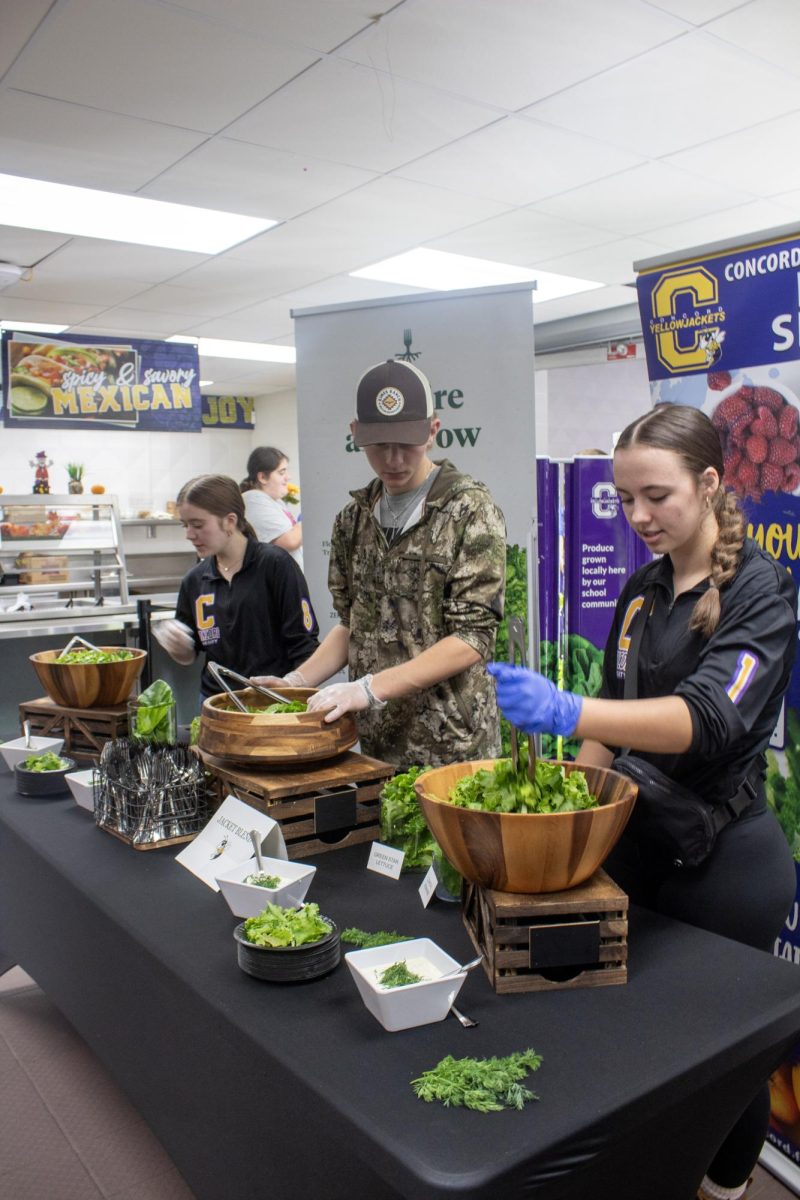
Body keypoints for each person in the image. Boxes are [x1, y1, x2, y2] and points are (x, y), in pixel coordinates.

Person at [489, 404, 798, 1200]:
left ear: (709, 482)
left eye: (656, 496)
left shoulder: (762, 590)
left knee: (724, 1061)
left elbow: (704, 719)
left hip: (723, 865)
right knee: (628, 1040)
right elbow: (610, 711)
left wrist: (566, 714)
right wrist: (566, 811)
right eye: (626, 499)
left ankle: (726, 1189)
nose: (638, 517)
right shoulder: (641, 588)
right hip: (633, 840)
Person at [264, 358, 507, 771]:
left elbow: (472, 638)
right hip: (378, 743)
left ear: (433, 430)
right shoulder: (352, 520)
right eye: (378, 445)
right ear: (355, 433)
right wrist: (297, 683)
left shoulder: (469, 511)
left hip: (453, 747)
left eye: (406, 443)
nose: (393, 459)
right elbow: (352, 626)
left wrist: (370, 688)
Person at [153, 474, 319, 700]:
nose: (189, 535)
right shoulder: (195, 580)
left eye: (198, 525)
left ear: (230, 521)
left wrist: (296, 694)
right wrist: (179, 647)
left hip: (272, 701)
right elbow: (188, 654)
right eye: (185, 525)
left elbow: (304, 645)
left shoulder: (275, 565)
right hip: (215, 703)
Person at [240, 446, 303, 567]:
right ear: (262, 477)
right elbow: (289, 541)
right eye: (281, 472)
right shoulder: (253, 500)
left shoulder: (273, 500)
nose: (288, 477)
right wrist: (307, 519)